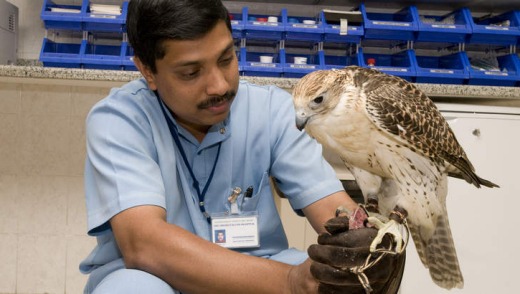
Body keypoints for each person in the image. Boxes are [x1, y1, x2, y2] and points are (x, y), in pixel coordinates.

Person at [79, 0, 405, 293]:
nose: (220, 85)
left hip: (257, 275)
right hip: (156, 277)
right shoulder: (121, 120)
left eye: (226, 59)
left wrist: (363, 241)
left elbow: (332, 209)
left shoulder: (272, 110)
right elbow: (144, 245)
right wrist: (291, 282)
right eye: (191, 72)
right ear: (147, 71)